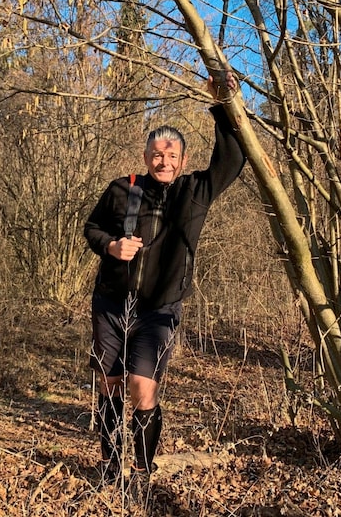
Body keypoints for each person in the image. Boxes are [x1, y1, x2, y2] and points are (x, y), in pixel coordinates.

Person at [83, 73, 245, 487]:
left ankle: (141, 470)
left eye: (172, 156)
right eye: (157, 154)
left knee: (142, 388)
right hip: (110, 303)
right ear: (145, 156)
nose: (164, 162)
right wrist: (111, 246)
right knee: (110, 385)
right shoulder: (122, 188)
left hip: (159, 311)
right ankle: (109, 466)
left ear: (183, 161)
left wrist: (223, 104)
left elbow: (233, 158)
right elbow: (92, 228)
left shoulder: (194, 191)